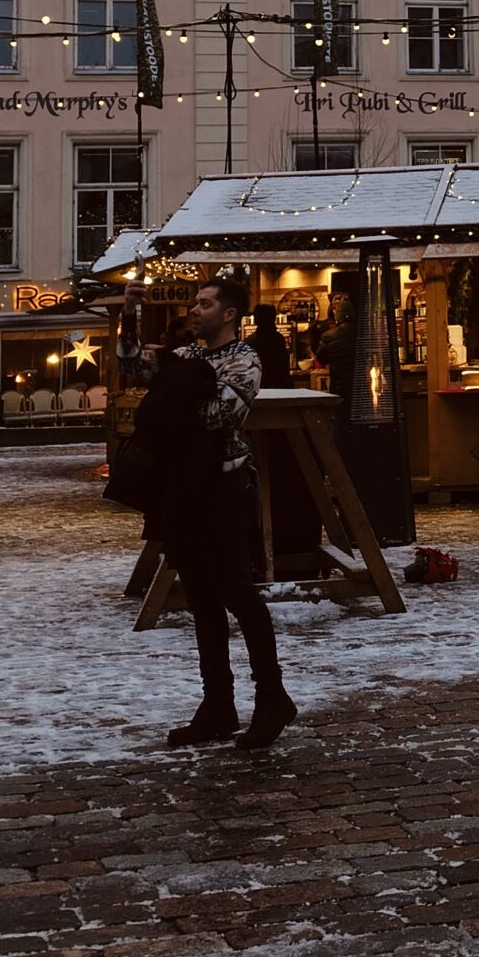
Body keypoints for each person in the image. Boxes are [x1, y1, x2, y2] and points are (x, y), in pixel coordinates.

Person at [139, 276, 295, 751]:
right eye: (195, 303)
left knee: (238, 594)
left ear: (229, 314)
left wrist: (172, 389)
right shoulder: (187, 356)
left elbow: (217, 416)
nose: (194, 310)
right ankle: (218, 705)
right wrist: (130, 316)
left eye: (205, 304)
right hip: (182, 487)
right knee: (201, 599)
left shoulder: (245, 360)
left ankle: (272, 697)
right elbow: (136, 372)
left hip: (224, 485)